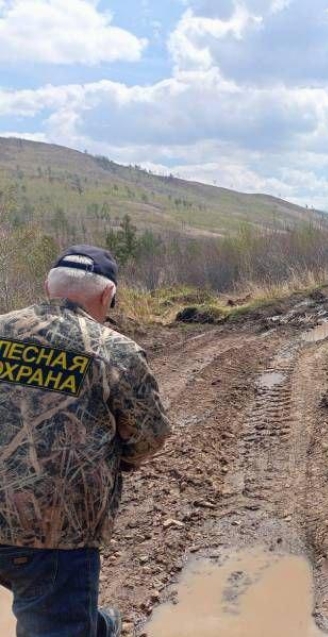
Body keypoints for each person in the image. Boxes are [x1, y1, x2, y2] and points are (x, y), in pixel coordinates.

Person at [0, 245, 171, 636]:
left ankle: (92, 626)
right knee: (53, 610)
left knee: (55, 609)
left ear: (48, 286)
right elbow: (150, 436)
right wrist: (120, 457)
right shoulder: (112, 350)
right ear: (107, 295)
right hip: (53, 532)